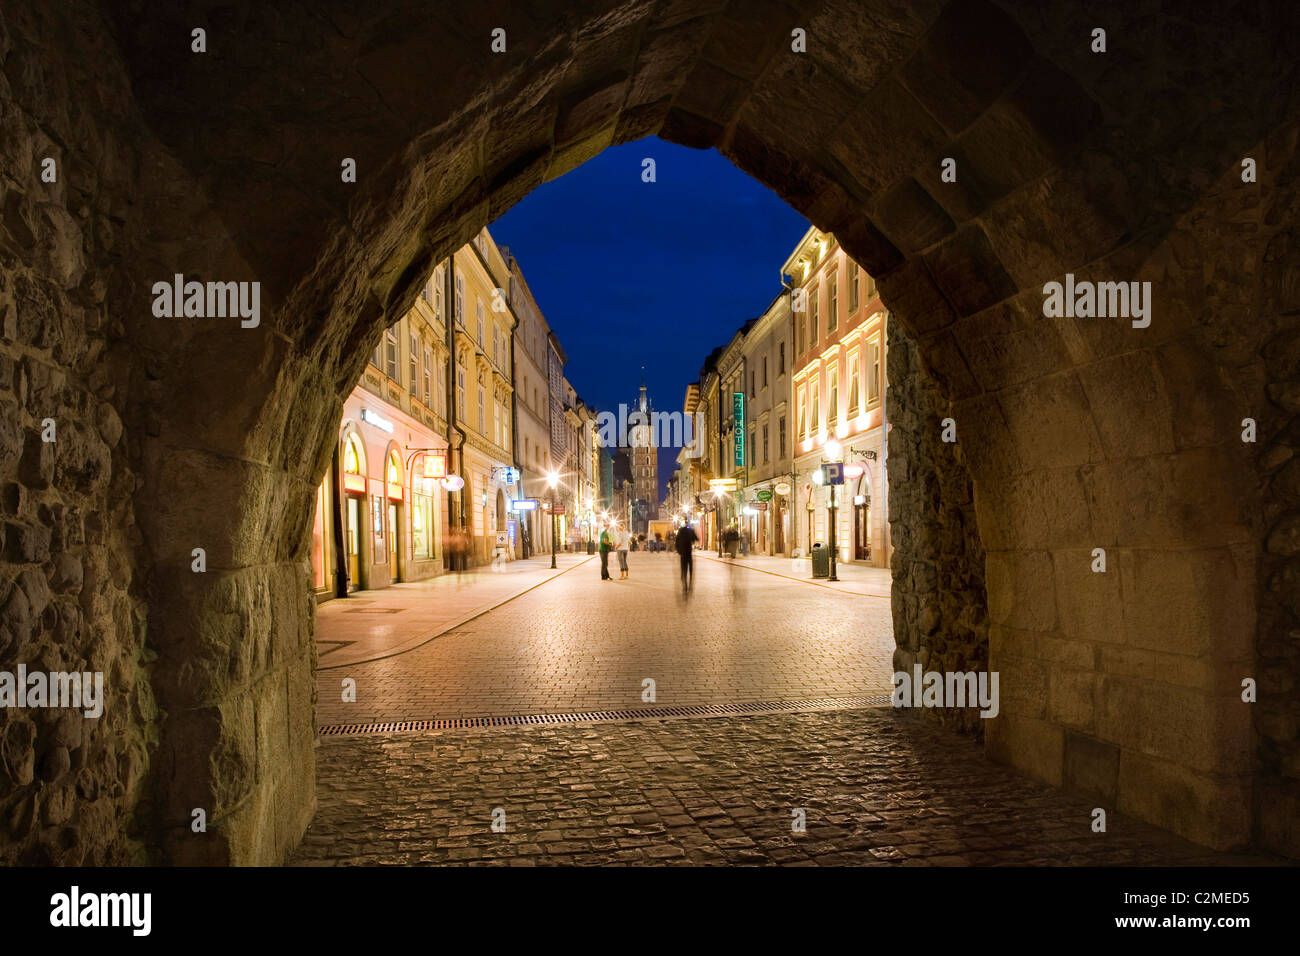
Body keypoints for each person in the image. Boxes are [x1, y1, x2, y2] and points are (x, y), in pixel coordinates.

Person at [675, 520, 698, 592]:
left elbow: (676, 542)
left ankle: (683, 578)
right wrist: (693, 540)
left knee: (683, 567)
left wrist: (679, 551)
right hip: (689, 552)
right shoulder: (691, 531)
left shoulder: (680, 531)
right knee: (690, 566)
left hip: (683, 553)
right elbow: (696, 539)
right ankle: (690, 579)